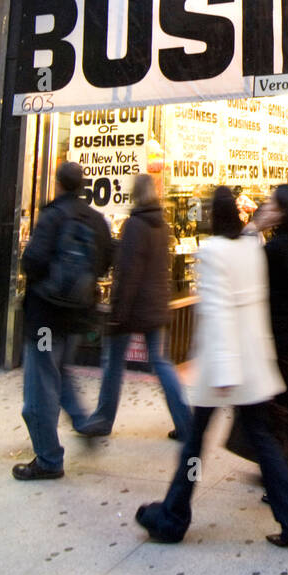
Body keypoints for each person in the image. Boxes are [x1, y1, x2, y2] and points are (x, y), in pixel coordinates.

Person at [136, 186, 288, 547]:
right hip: (253, 361)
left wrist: (224, 371)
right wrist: (257, 223)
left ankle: (172, 517)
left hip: (224, 366)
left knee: (194, 444)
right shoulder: (249, 248)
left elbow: (218, 313)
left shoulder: (213, 251)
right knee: (262, 441)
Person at [14, 161, 113, 480]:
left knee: (39, 387)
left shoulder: (54, 214)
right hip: (77, 316)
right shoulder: (97, 219)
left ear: (58, 184)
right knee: (60, 370)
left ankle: (48, 458)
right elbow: (105, 262)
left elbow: (33, 260)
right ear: (83, 185)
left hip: (46, 316)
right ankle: (82, 421)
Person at [81, 174, 192, 443]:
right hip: (156, 306)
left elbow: (127, 273)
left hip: (131, 309)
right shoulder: (162, 226)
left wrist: (117, 311)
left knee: (113, 363)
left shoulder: (134, 226)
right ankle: (186, 422)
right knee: (161, 363)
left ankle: (103, 418)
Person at [233, 184, 288, 496]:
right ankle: (285, 473)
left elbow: (244, 270)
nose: (265, 207)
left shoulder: (277, 248)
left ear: (281, 211)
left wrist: (253, 227)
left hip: (274, 338)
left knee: (279, 409)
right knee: (281, 405)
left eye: (271, 204)